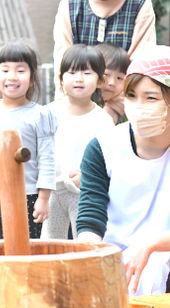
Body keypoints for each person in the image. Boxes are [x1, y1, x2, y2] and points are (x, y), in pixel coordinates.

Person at [76, 46, 170, 296]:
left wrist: (149, 245)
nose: (138, 107)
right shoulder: (102, 147)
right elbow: (90, 215)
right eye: (131, 95)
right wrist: (91, 252)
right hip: (113, 251)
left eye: (151, 98)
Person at [0, 41, 57, 239]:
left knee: (27, 245)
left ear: (33, 78)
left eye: (20, 70)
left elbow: (48, 159)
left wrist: (43, 198)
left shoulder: (40, 115)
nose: (12, 77)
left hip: (28, 195)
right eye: (5, 70)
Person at [41, 44, 114, 240]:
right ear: (60, 79)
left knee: (84, 242)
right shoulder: (48, 114)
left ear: (101, 80)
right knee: (50, 244)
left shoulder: (103, 120)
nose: (79, 78)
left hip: (85, 193)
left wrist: (87, 175)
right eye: (72, 72)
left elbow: (110, 158)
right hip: (52, 191)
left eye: (87, 73)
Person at [53, 0, 156, 99]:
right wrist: (69, 105)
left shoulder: (140, 4)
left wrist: (115, 107)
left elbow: (141, 63)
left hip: (124, 102)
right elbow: (62, 62)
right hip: (78, 101)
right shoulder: (69, 4)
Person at [95, 42, 130, 124]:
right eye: (106, 75)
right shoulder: (81, 102)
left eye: (119, 78)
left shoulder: (125, 108)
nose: (112, 83)